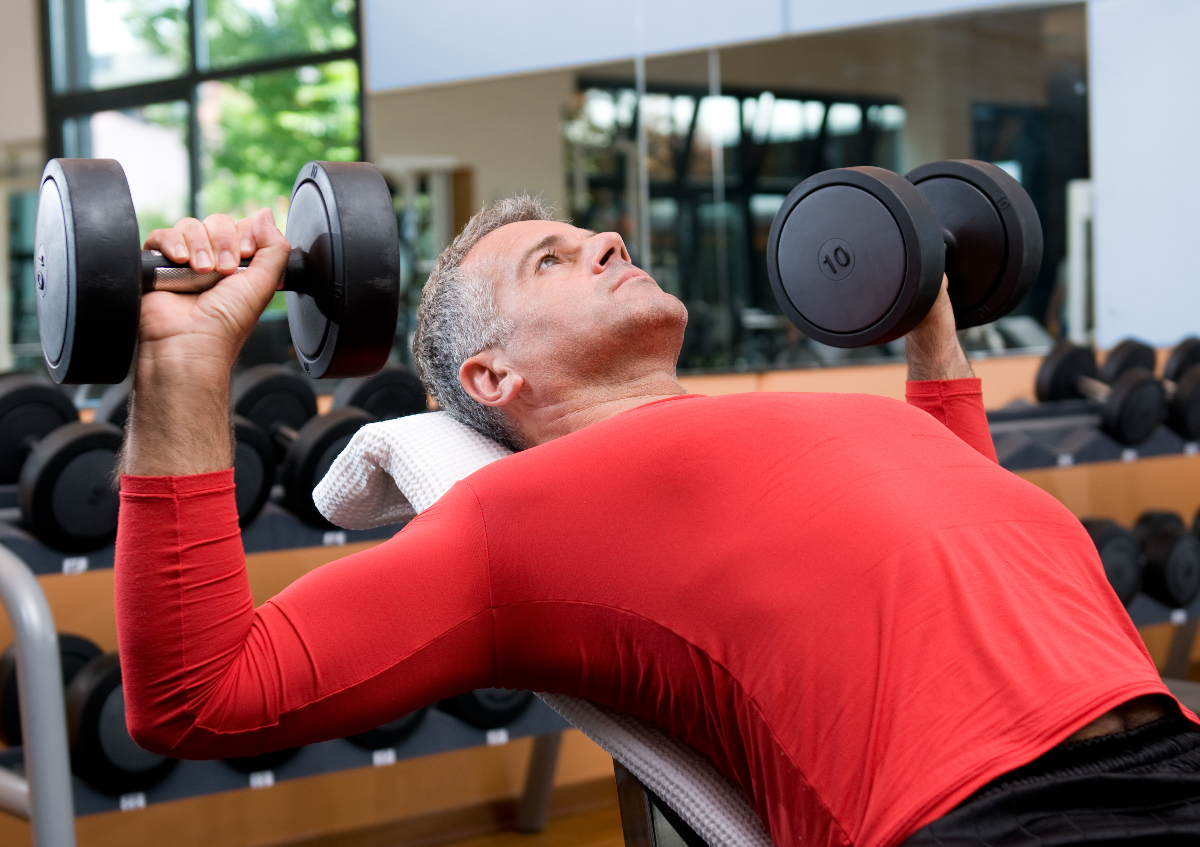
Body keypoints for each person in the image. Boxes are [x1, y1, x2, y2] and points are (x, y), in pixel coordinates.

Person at [116, 197, 1199, 847]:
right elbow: (199, 698)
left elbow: (963, 521)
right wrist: (183, 362)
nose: (607, 240)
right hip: (1011, 821)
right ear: (493, 375)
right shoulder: (518, 519)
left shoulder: (832, 419)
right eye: (553, 258)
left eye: (594, 233)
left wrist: (928, 325)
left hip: (1174, 748)